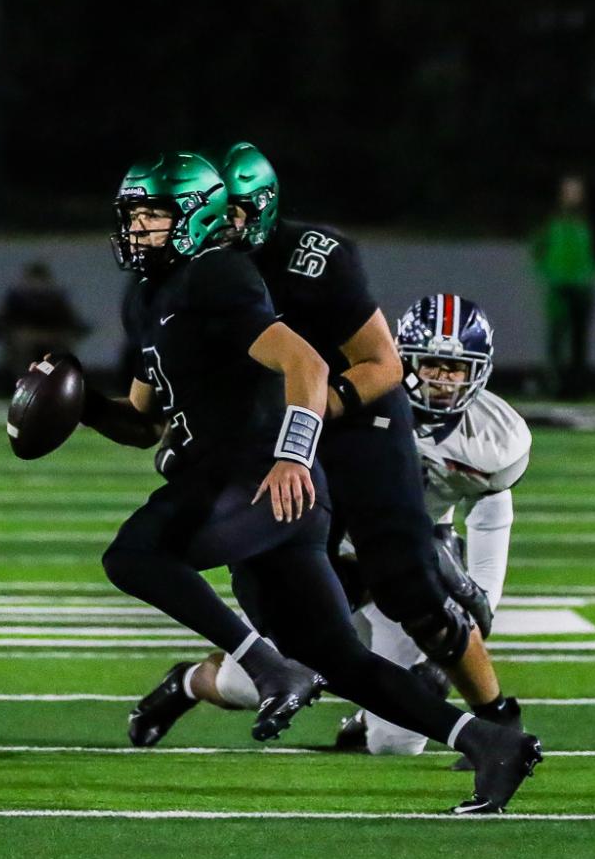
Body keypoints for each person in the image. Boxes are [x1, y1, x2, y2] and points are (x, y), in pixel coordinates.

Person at [75, 151, 541, 814]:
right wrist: (81, 405)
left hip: (296, 453)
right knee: (328, 650)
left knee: (143, 556)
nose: (140, 228)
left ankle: (482, 708)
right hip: (255, 465)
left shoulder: (243, 271)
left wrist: (292, 449)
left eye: (155, 214)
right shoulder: (154, 292)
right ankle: (488, 743)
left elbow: (327, 365)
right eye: (137, 216)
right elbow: (146, 415)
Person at [337, 293, 531, 755]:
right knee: (249, 683)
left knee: (396, 744)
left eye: (455, 367)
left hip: (402, 568)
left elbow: (489, 520)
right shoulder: (361, 399)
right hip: (327, 552)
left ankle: (371, 714)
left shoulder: (495, 440)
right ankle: (185, 686)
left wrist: (476, 602)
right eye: (432, 365)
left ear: (477, 371)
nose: (443, 379)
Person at [531, 174, 595, 398]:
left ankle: (577, 387)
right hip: (558, 288)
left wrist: (589, 276)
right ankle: (556, 386)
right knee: (557, 340)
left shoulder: (589, 223)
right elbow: (537, 252)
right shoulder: (552, 222)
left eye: (577, 191)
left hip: (582, 288)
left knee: (578, 341)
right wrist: (550, 276)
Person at [0, 261, 89, 374]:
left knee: (64, 345)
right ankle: (23, 378)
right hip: (24, 336)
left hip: (52, 335)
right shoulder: (17, 298)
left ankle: (57, 377)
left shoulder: (56, 298)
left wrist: (73, 330)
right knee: (21, 343)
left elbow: (71, 319)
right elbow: (1, 317)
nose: (37, 283)